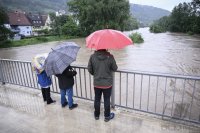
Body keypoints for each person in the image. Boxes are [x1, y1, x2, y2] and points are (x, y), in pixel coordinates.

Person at [88, 49, 118, 122]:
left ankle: (97, 115)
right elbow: (115, 68)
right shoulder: (110, 56)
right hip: (107, 84)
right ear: (105, 47)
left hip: (97, 83)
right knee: (107, 100)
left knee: (97, 99)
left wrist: (95, 75)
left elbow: (89, 69)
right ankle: (107, 116)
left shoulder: (92, 57)